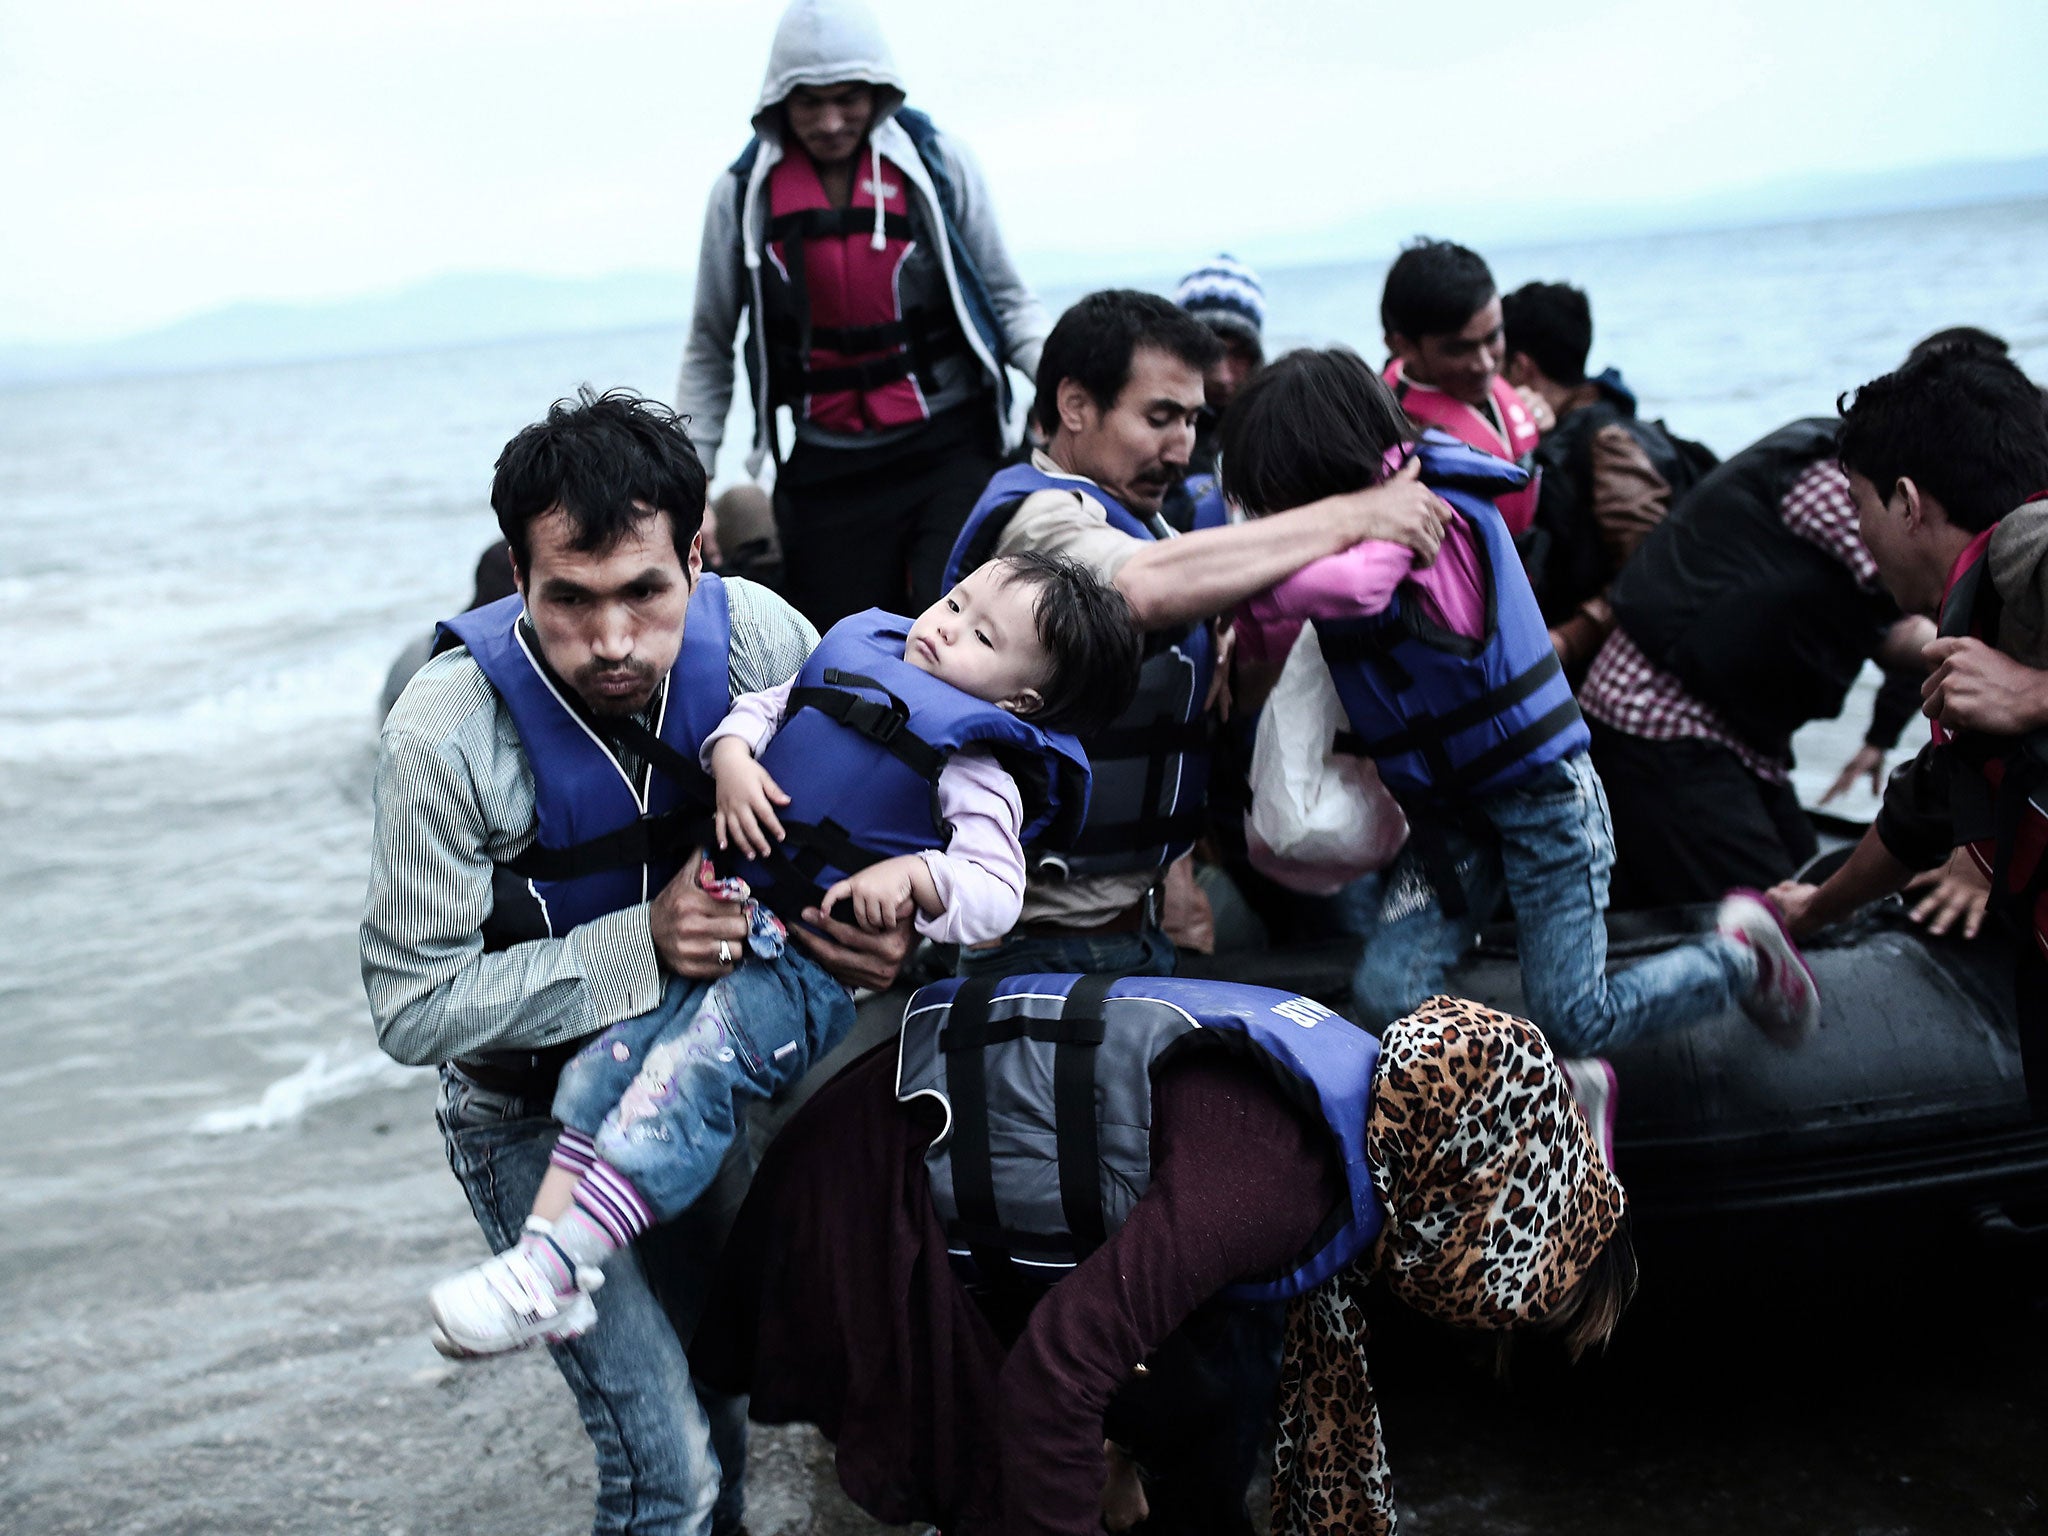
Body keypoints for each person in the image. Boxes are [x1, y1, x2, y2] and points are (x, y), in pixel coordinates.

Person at [363, 389, 919, 1536]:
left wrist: (892, 935)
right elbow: (413, 1010)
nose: (612, 641)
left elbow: (871, 839)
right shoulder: (442, 733)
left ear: (697, 556)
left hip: (694, 1085)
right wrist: (640, 946)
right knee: (663, 1464)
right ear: (516, 577)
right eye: (568, 599)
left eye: (644, 593)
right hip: (524, 1115)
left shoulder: (765, 639)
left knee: (721, 1392)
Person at [424, 550, 1137, 1359]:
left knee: (679, 1089)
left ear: (1019, 699)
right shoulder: (860, 663)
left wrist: (915, 875)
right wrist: (730, 760)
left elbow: (994, 892)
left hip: (794, 977)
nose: (943, 627)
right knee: (603, 1069)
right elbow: (764, 711)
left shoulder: (977, 769)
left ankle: (554, 1269)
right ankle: (541, 1267)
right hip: (729, 922)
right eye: (954, 601)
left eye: (980, 634)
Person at [693, 978, 1633, 1536]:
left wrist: (1124, 1457)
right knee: (998, 1498)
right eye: (1508, 1308)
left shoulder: (1370, 1097)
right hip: (867, 1196)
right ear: (1482, 1219)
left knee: (1205, 1418)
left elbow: (1177, 1348)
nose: (1481, 1325)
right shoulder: (1279, 1181)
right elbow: (1054, 1379)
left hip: (931, 1176)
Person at [1223, 348, 1822, 1057]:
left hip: (1547, 809)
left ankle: (1741, 961)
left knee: (1574, 1018)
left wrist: (1222, 582)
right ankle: (1543, 1091)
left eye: (1281, 495)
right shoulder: (1359, 534)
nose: (1283, 518)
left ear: (1321, 466)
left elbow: (1351, 591)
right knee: (1385, 997)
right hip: (1451, 823)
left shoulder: (1426, 518)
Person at [941, 290, 1454, 980]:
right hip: (1036, 946)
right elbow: (1132, 589)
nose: (1181, 446)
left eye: (1191, 420)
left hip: (1131, 924)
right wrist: (1357, 515)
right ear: (1074, 406)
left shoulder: (1149, 529)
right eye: (1158, 418)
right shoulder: (1040, 524)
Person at [676, 0, 1048, 633]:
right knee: (837, 646)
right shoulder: (741, 195)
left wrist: (1075, 390)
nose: (829, 121)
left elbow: (1010, 303)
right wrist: (689, 485)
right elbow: (710, 346)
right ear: (777, 104)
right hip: (828, 464)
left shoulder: (938, 164)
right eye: (808, 102)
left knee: (954, 627)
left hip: (950, 448)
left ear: (880, 91)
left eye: (847, 98)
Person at [1766, 348, 2048, 1107]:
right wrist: (1817, 907)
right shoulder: (1982, 622)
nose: (1858, 534)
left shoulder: (2029, 547)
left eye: (1858, 504)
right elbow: (1924, 805)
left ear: (1907, 502)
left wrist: (2039, 696)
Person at [1578, 357, 1945, 908]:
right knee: (1777, 910)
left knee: (1810, 871)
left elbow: (1891, 630)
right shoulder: (1841, 487)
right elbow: (1933, 607)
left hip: (1740, 735)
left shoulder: (1864, 474)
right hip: (1655, 717)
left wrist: (1885, 732)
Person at [1498, 281, 1718, 670]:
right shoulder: (1575, 430)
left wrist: (1569, 638)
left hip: (1616, 678)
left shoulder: (1606, 442)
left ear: (1521, 367)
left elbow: (1651, 572)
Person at [1379, 238, 1546, 537]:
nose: (1484, 364)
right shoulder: (1389, 437)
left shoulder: (1509, 396)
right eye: (1459, 349)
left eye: (1493, 337)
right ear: (1403, 346)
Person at [1159, 253, 1266, 533]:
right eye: (1209, 352)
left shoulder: (1281, 429)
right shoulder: (1149, 437)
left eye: (1238, 354)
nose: (1223, 375)